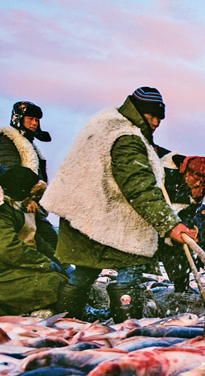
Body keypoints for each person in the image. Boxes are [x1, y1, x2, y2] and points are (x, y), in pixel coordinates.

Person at [41, 87, 196, 322]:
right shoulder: (126, 138)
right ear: (139, 111)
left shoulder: (107, 123)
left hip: (85, 215)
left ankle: (66, 317)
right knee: (131, 266)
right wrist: (170, 225)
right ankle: (127, 324)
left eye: (159, 118)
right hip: (104, 218)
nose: (156, 122)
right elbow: (139, 187)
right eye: (152, 116)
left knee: (85, 268)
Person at [0, 166, 66, 317]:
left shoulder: (13, 208)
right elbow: (5, 247)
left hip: (1, 267)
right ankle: (15, 309)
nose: (32, 201)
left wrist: (60, 263)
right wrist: (45, 263)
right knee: (55, 285)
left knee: (61, 281)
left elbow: (37, 241)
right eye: (30, 196)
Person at [0, 101, 57, 249]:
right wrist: (26, 199)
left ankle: (57, 269)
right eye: (30, 118)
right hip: (16, 201)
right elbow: (11, 171)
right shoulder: (6, 139)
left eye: (37, 120)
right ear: (19, 117)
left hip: (30, 202)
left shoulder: (28, 143)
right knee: (45, 239)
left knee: (45, 240)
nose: (34, 123)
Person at [156, 151, 205, 292]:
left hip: (174, 227)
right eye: (196, 179)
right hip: (151, 216)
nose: (198, 184)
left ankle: (181, 290)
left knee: (181, 260)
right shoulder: (164, 164)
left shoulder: (198, 192)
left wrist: (185, 229)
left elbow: (188, 214)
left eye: (202, 183)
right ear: (185, 171)